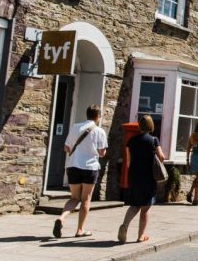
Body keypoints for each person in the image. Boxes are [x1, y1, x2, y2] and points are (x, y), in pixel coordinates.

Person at [53, 104, 107, 239]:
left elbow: (66, 147)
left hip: (73, 166)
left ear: (87, 114)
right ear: (98, 116)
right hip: (90, 167)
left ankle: (61, 218)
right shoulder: (99, 131)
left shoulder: (76, 127)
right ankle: (80, 230)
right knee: (85, 199)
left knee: (74, 198)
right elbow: (101, 153)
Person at [118, 115, 165, 243]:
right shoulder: (154, 140)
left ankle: (125, 225)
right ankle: (141, 235)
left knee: (134, 204)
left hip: (134, 175)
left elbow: (129, 160)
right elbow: (161, 157)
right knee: (145, 207)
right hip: (148, 176)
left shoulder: (131, 140)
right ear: (151, 126)